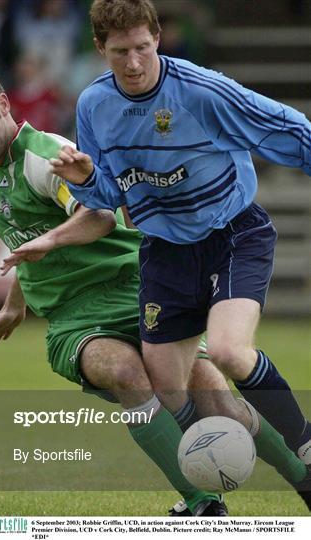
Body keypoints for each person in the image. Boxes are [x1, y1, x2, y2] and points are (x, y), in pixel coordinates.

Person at [0, 70, 311, 517]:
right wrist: (13, 307)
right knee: (124, 371)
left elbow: (99, 216)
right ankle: (204, 503)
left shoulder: (45, 155)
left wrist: (52, 240)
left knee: (213, 394)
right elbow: (27, 246)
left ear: (2, 105)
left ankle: (302, 477)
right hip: (74, 318)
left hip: (136, 288)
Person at [50, 0, 311, 482]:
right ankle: (213, 483)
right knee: (168, 389)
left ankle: (306, 447)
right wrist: (86, 177)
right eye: (119, 51)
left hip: (233, 233)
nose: (132, 63)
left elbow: (288, 129)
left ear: (159, 37)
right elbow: (110, 192)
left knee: (230, 353)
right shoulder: (93, 105)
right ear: (99, 48)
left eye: (142, 48)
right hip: (164, 250)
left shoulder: (201, 91)